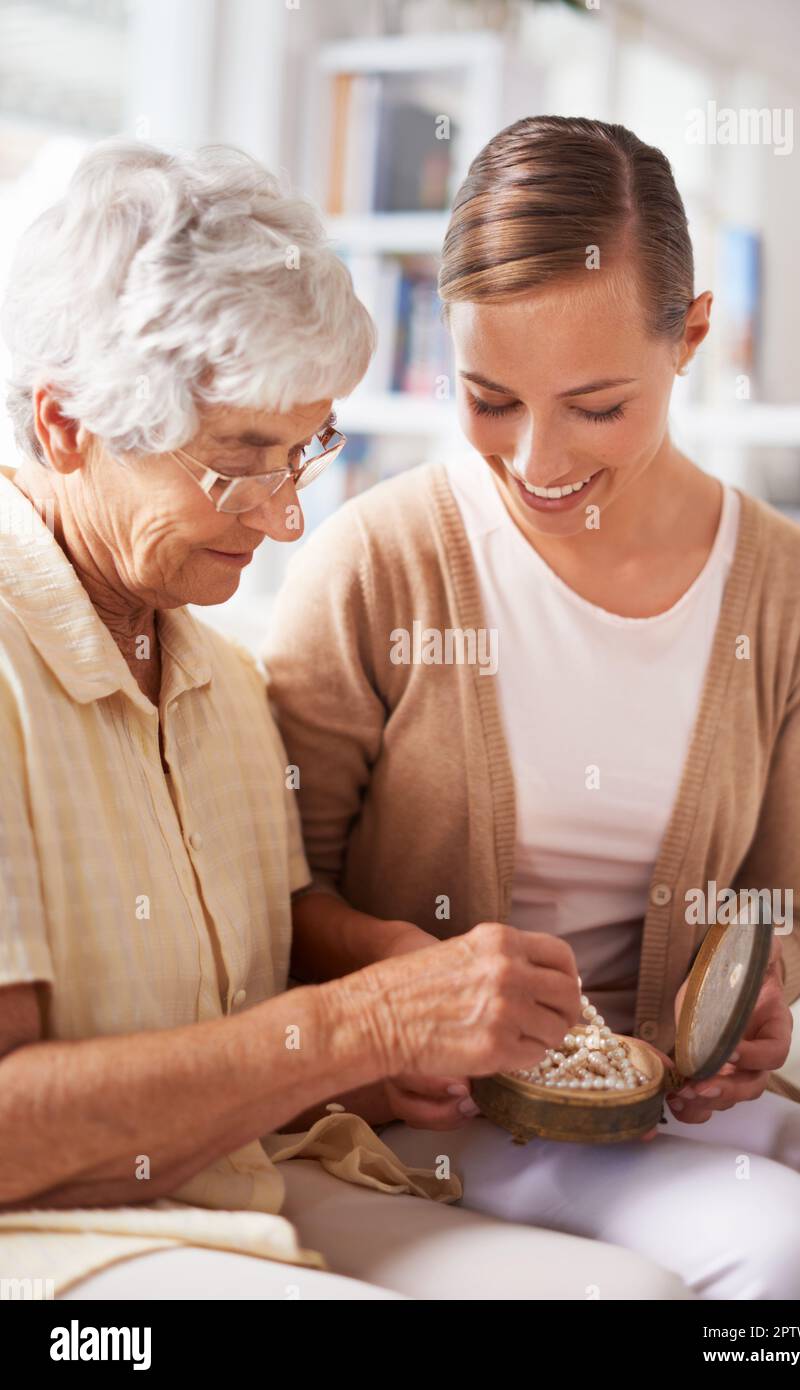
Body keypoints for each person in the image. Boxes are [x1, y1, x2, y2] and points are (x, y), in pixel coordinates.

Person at [0, 138, 693, 1302]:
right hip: (51, 1232)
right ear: (65, 425)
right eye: (240, 462)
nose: (284, 520)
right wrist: (361, 1027)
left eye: (305, 450)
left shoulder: (211, 666)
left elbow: (265, 941)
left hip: (234, 1174)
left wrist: (404, 987)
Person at [263, 116, 800, 1300]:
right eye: (490, 397)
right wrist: (409, 980)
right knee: (790, 1247)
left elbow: (781, 904)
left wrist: (762, 986)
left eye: (595, 406)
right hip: (446, 1108)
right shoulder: (373, 566)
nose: (536, 460)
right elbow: (273, 902)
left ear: (693, 332)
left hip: (668, 1100)